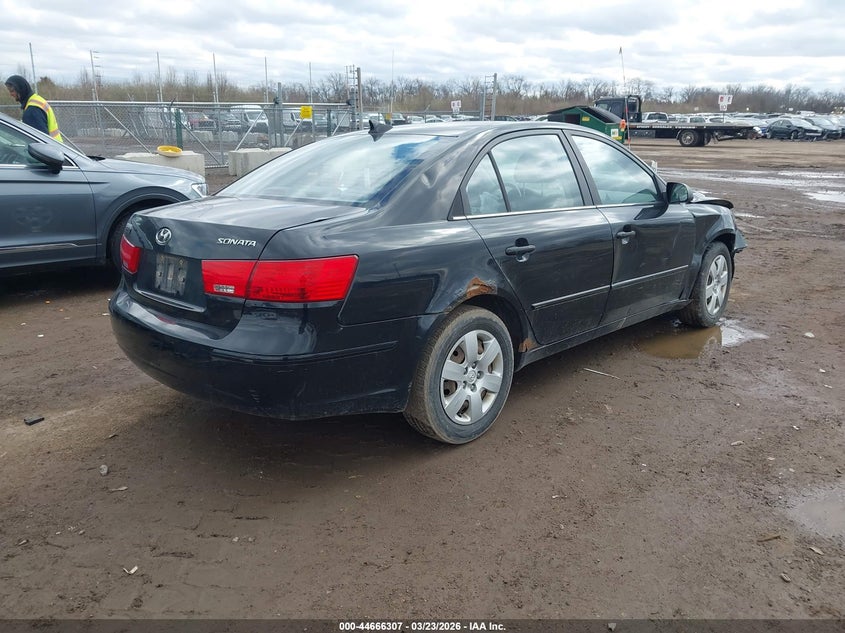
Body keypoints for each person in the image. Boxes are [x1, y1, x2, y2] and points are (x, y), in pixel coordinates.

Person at [5, 74, 64, 142]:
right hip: (56, 147)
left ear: (20, 89)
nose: (11, 94)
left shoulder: (32, 111)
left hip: (51, 150)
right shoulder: (36, 100)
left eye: (12, 91)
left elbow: (39, 143)